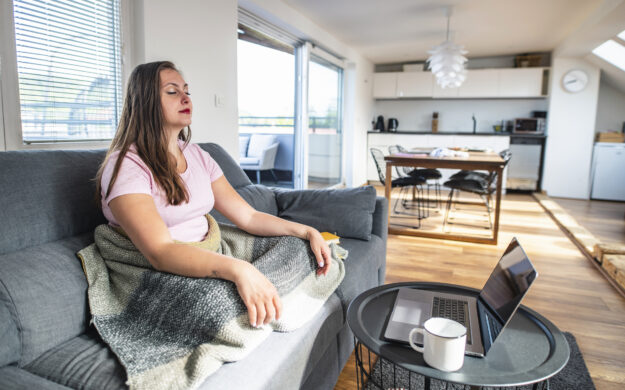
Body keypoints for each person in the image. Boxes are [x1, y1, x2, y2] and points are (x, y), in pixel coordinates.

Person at [95, 61, 331, 329]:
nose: (186, 98)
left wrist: (306, 231)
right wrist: (239, 269)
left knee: (299, 248)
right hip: (159, 269)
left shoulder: (198, 155)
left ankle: (261, 297)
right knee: (219, 304)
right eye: (172, 92)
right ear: (145, 101)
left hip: (211, 251)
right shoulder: (126, 165)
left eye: (186, 90)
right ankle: (262, 298)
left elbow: (249, 216)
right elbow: (160, 252)